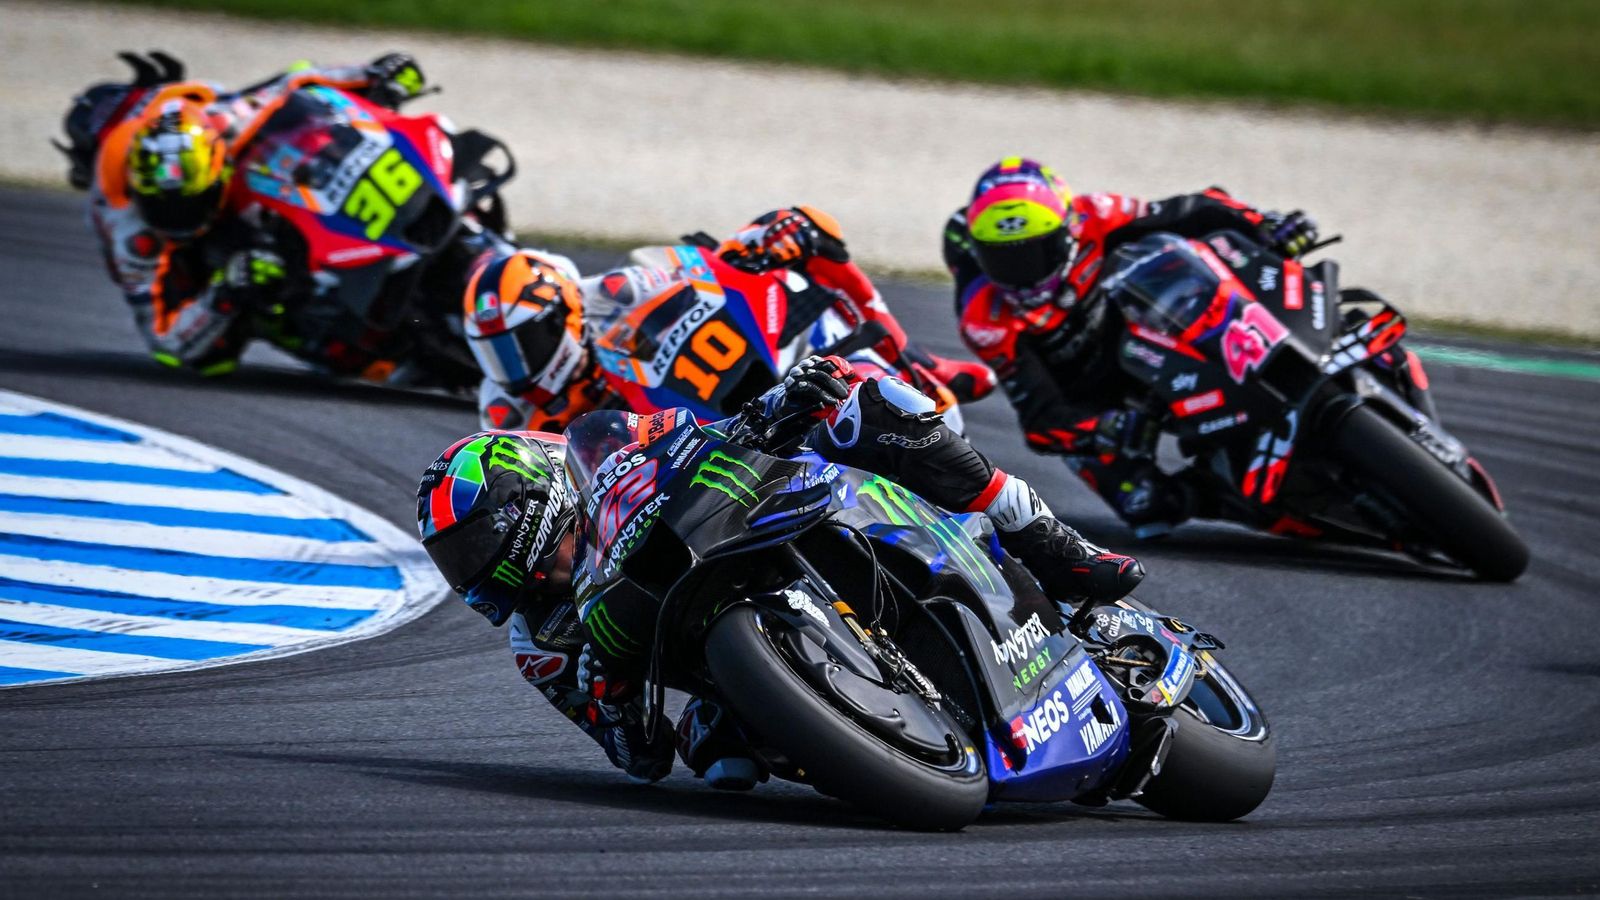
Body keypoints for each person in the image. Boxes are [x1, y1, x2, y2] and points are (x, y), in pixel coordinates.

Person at [416, 354, 1144, 788]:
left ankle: (1051, 543)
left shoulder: (617, 449)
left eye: (475, 548)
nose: (475, 571)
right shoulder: (537, 640)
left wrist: (781, 403)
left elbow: (700, 436)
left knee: (871, 402)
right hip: (726, 659)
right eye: (458, 563)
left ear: (527, 502)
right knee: (718, 758)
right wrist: (605, 700)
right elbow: (639, 758)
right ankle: (884, 740)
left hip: (769, 521)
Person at [944, 156, 1433, 537]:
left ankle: (1329, 351)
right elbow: (1042, 417)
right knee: (1146, 508)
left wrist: (1265, 225)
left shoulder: (1099, 213)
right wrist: (1107, 427)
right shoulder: (986, 317)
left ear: (1068, 230)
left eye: (1036, 250)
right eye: (1003, 258)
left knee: (1233, 257)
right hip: (1104, 397)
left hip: (1158, 327)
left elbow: (1196, 209)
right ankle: (1236, 491)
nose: (1024, 271)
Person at [463, 206, 996, 433]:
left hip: (745, 408)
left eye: (521, 343)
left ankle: (912, 361)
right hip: (664, 494)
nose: (513, 366)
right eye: (494, 352)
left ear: (565, 315)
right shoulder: (506, 410)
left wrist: (751, 246)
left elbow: (702, 269)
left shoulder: (615, 294)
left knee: (808, 229)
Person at [58, 51, 430, 374]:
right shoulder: (127, 228)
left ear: (217, 165)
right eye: (164, 207)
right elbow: (163, 340)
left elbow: (298, 79)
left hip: (220, 151)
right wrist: (223, 291)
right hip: (201, 264)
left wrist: (375, 73)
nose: (179, 216)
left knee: (315, 135)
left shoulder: (224, 118)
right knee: (213, 358)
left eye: (189, 203)